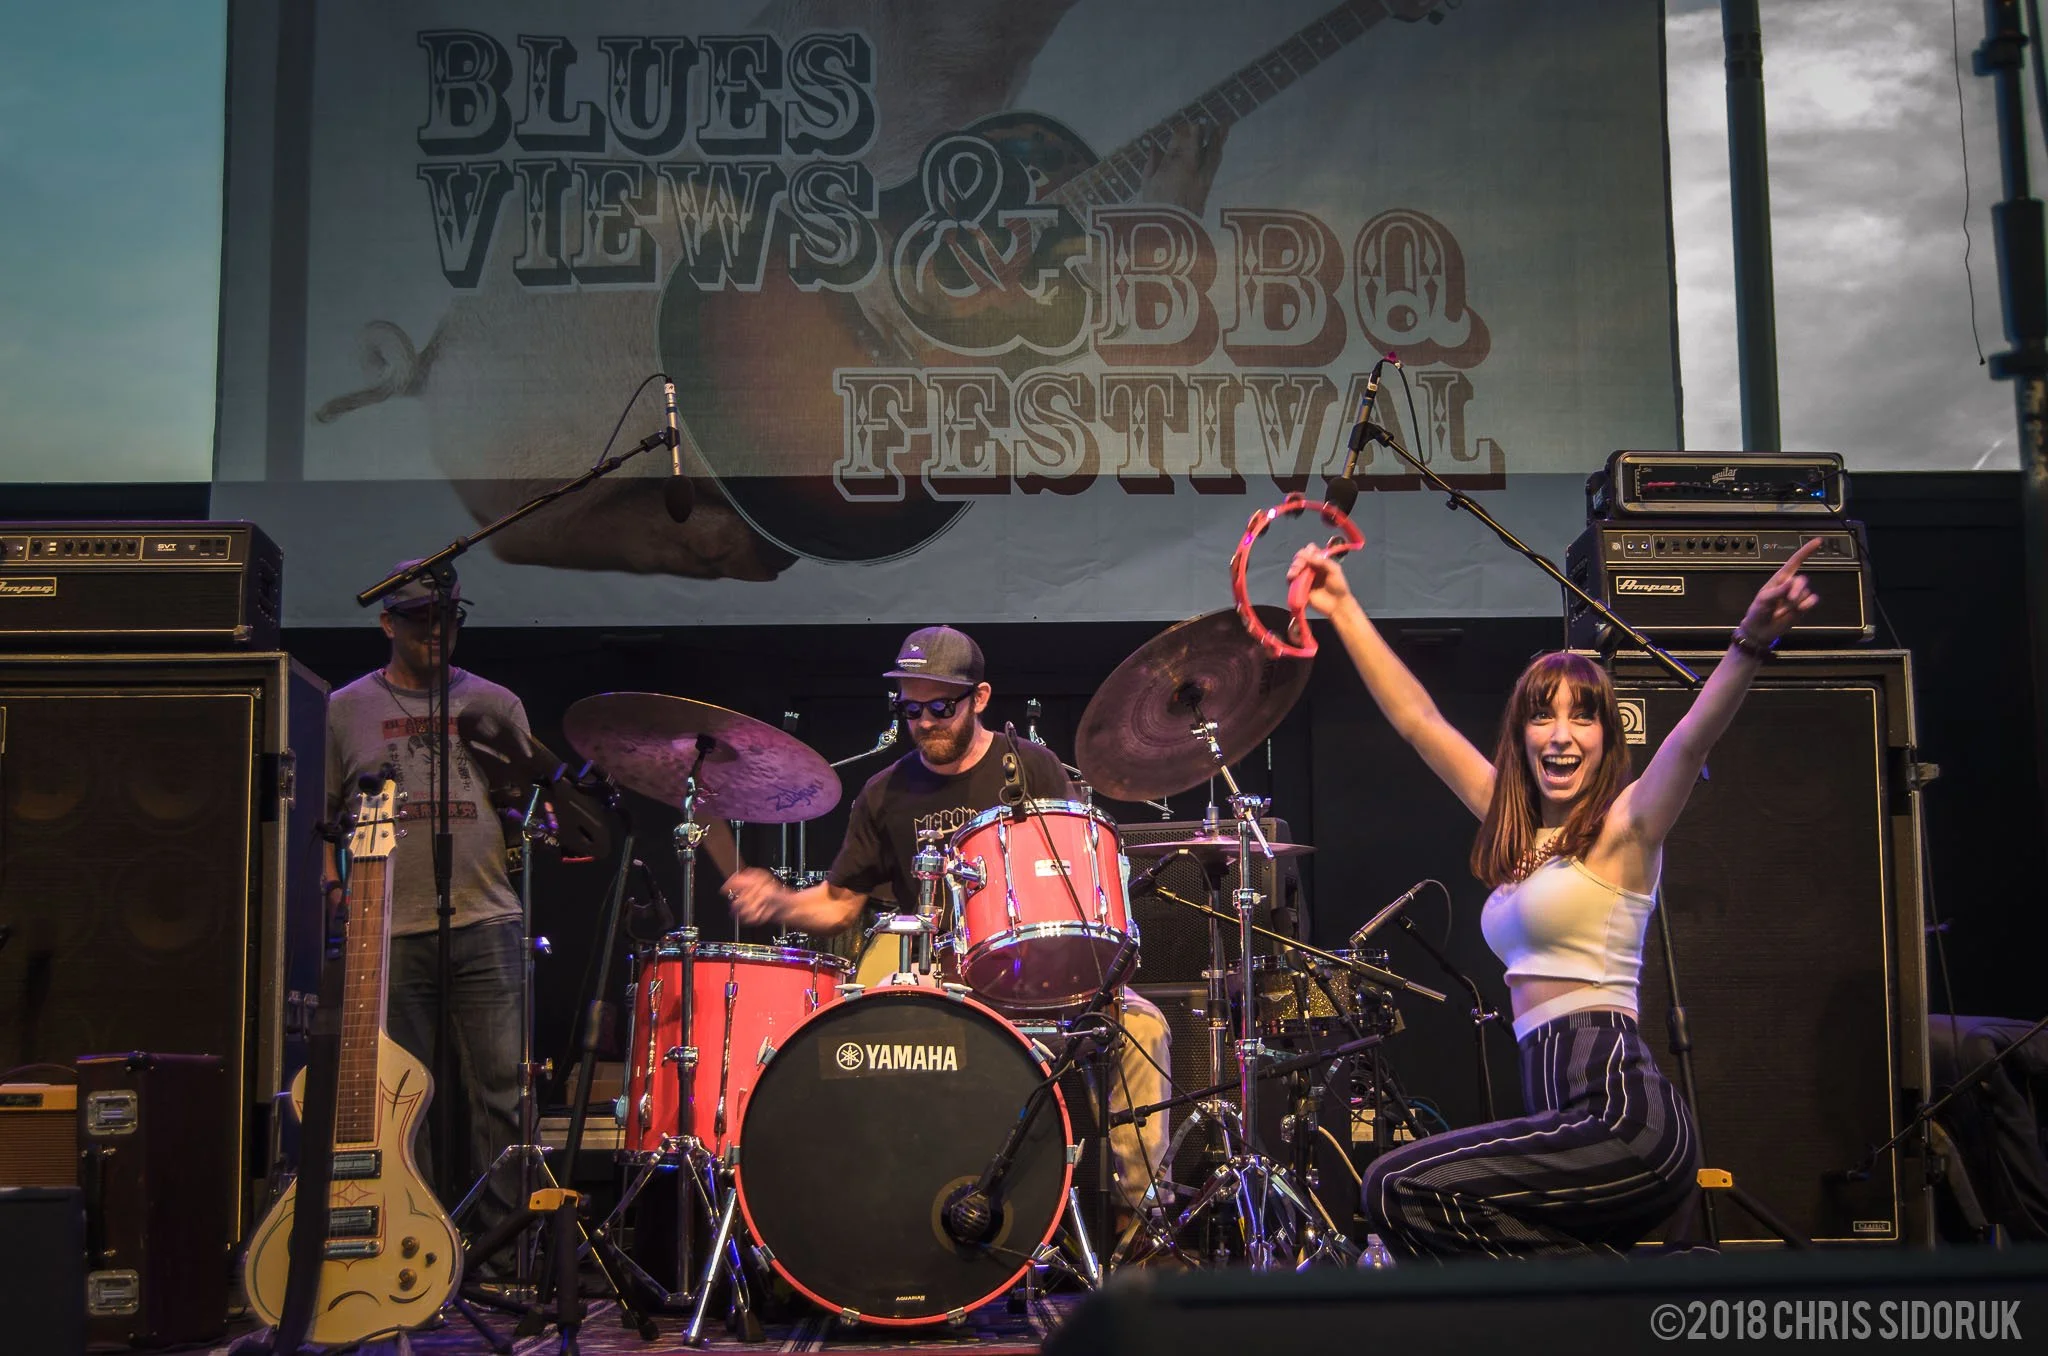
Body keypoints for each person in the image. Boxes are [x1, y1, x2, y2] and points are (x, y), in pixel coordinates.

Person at [1287, 536, 1824, 1258]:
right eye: (1544, 715)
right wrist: (1344, 609)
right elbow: (1421, 724)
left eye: (1584, 717)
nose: (1562, 735)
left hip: (1623, 1112)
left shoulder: (1624, 831)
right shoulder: (1515, 836)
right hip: (1560, 1109)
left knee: (1395, 1185)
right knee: (1435, 1219)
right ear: (1522, 734)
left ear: (1608, 739)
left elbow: (1693, 742)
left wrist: (1749, 643)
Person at [725, 625, 1173, 1223]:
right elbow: (840, 902)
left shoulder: (1031, 766)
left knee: (1145, 1028)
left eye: (941, 706)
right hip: (941, 985)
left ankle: (1141, 1223)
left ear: (979, 697)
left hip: (1044, 974)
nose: (925, 722)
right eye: (911, 709)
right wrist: (779, 901)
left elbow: (1070, 873)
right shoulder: (884, 794)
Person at [323, 562, 528, 1235]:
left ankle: (499, 1246)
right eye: (420, 621)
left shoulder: (495, 702)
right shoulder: (345, 709)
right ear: (388, 623)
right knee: (403, 1096)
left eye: (449, 619)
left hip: (484, 915)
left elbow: (529, 808)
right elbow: (323, 819)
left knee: (499, 1089)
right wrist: (335, 886)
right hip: (389, 925)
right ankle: (417, 1234)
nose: (437, 632)